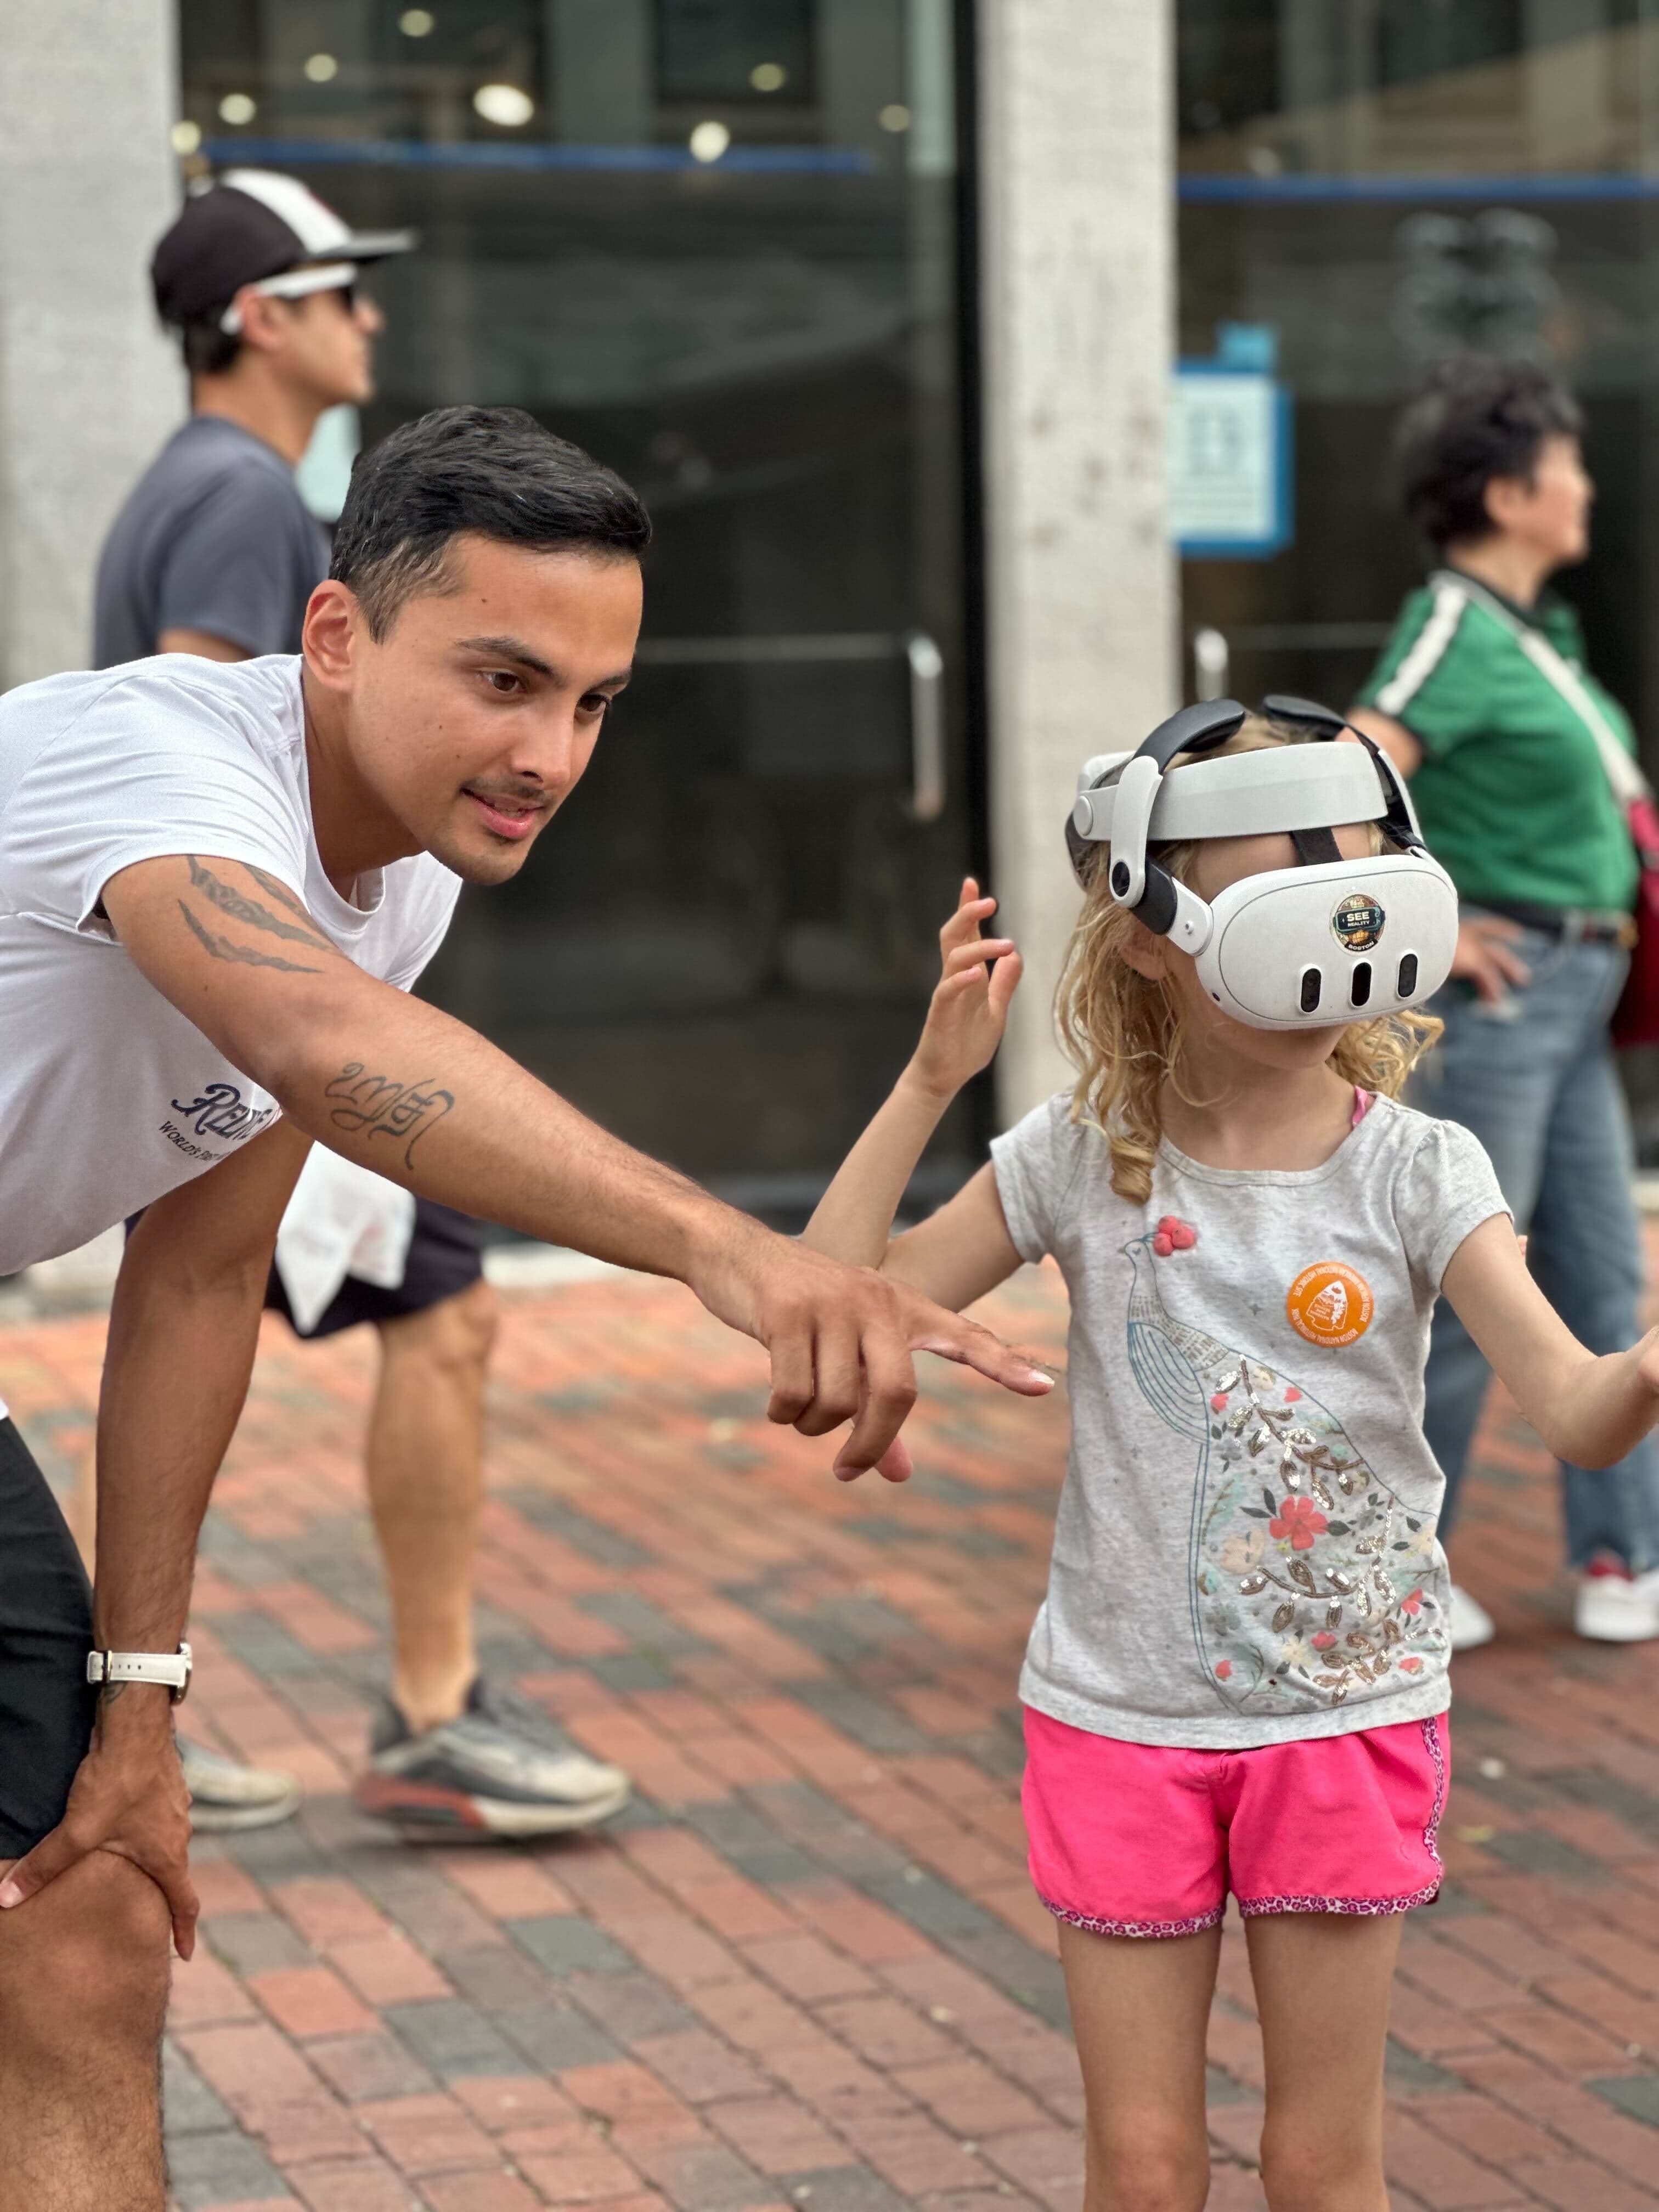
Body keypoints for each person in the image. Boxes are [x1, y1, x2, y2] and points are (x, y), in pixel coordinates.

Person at [0, 403, 1052, 2211]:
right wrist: (733, 1250)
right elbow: (319, 1043)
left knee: (85, 1914)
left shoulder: (392, 875)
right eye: (502, 679)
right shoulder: (155, 764)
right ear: (335, 636)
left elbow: (201, 1269)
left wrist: (145, 1706)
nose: (549, 752)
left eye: (590, 702)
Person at [799, 711, 1659, 2210]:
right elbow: (839, 1299)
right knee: (1141, 2174)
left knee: (1325, 2171)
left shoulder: (1420, 1167)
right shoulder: (1078, 1152)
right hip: (1118, 1716)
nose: (1344, 905)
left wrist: (1647, 1368)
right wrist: (932, 1081)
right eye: (1289, 869)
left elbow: (1578, 1412)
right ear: (1149, 936)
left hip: (1347, 1717)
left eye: (1360, 863)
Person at [87, 165, 628, 1836]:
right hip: (268, 1016)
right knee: (441, 1321)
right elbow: (205, 797)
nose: (371, 320)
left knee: (242, 1300)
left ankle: (145, 1703)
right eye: (339, 292)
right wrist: (725, 1254)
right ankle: (429, 1704)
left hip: (261, 1027)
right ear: (258, 317)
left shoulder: (196, 485)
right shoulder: (250, 504)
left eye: (588, 703)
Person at [1351, 359, 1659, 1646]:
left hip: (1575, 998)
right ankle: (1391, 1568)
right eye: (1569, 465)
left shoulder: (1536, 635)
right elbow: (1350, 770)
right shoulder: (1453, 624)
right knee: (1474, 1296)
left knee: (1601, 1281)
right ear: (1508, 491)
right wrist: (1437, 932)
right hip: (1509, 1000)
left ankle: (1620, 1559)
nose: (1586, 486)